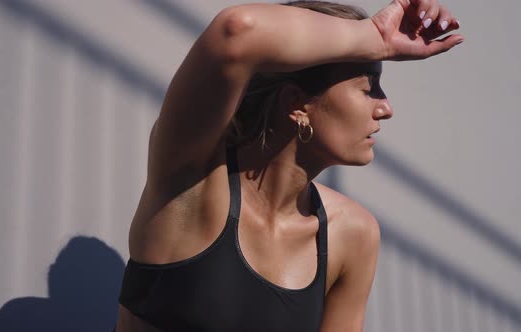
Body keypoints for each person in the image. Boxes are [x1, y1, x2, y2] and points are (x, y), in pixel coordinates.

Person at [114, 0, 463, 331]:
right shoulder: (193, 182)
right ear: (297, 105)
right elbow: (237, 32)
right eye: (368, 86)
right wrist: (374, 37)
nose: (385, 108)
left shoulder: (351, 234)